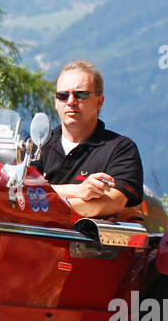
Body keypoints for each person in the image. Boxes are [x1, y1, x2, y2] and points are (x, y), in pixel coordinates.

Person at [31, 59, 143, 219]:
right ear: (56, 102)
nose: (71, 102)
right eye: (63, 95)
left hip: (88, 242)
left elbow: (111, 202)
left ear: (99, 101)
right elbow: (19, 191)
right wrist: (78, 191)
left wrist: (43, 205)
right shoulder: (36, 145)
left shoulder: (121, 149)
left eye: (81, 95)